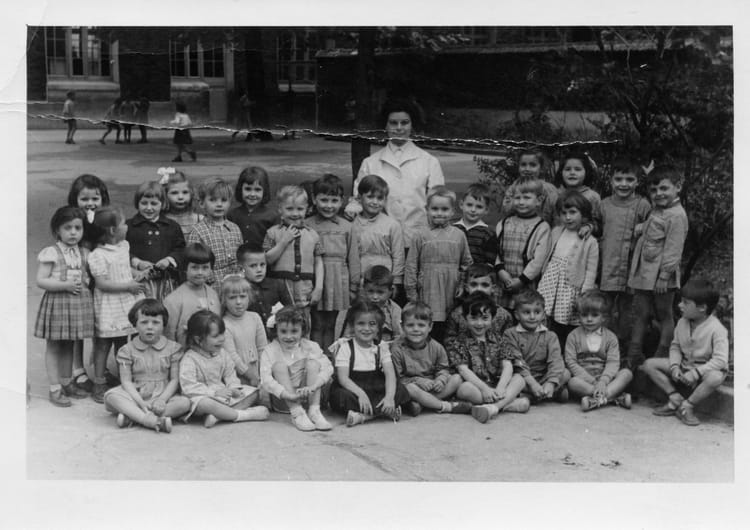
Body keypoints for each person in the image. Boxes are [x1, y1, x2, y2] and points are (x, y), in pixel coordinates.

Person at [349, 98, 444, 256]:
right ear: (385, 125)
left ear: (412, 124)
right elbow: (358, 202)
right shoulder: (370, 163)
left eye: (404, 122)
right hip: (379, 243)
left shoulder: (429, 162)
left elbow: (439, 203)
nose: (399, 128)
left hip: (419, 241)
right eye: (393, 123)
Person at [641, 279, 729, 426]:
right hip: (684, 366)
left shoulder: (717, 329)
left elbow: (720, 361)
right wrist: (675, 366)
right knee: (649, 364)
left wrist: (695, 373)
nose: (679, 305)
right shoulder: (683, 322)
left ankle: (687, 405)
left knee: (715, 377)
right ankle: (675, 398)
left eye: (685, 303)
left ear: (702, 308)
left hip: (704, 370)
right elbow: (675, 346)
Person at [626, 165, 689, 369]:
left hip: (662, 276)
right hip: (645, 272)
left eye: (664, 188)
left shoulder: (676, 215)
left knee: (664, 314)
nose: (658, 194)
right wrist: (642, 227)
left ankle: (662, 355)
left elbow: (673, 249)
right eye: (654, 190)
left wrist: (664, 276)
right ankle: (634, 355)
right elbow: (655, 226)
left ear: (678, 187)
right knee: (641, 313)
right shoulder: (660, 209)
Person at [34, 207, 95, 406]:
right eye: (67, 228)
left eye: (78, 228)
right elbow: (41, 280)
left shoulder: (84, 253)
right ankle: (54, 387)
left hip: (77, 305)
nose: (73, 232)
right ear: (57, 231)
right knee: (54, 345)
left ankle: (67, 382)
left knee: (70, 343)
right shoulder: (51, 252)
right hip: (58, 303)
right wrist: (64, 285)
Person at [103, 299, 190, 432]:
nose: (150, 327)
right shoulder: (127, 350)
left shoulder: (173, 348)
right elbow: (126, 381)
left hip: (164, 394)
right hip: (136, 393)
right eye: (144, 322)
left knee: (185, 403)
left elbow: (174, 380)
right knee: (111, 397)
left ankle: (134, 417)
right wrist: (140, 401)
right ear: (135, 325)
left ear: (163, 324)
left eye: (155, 322)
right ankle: (150, 420)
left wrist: (162, 400)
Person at [88, 207, 146, 403]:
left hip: (126, 303)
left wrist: (135, 273)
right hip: (109, 305)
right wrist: (127, 286)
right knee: (104, 343)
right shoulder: (98, 255)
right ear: (113, 230)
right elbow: (102, 283)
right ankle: (99, 381)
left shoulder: (123, 246)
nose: (126, 226)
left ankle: (123, 378)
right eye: (123, 223)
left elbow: (123, 267)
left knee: (123, 341)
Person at [445, 292, 529, 423]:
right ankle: (506, 404)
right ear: (465, 318)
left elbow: (507, 365)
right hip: (477, 388)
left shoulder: (498, 339)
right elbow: (463, 370)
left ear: (492, 318)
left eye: (485, 318)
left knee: (519, 379)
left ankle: (493, 407)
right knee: (464, 389)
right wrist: (484, 389)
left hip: (497, 386)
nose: (479, 323)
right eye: (473, 318)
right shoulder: (459, 342)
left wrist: (501, 388)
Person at [405, 186, 473, 344]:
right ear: (427, 209)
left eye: (444, 209)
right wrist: (412, 294)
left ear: (452, 211)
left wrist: (462, 285)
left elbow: (467, 263)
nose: (439, 213)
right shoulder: (420, 235)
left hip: (451, 288)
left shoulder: (459, 235)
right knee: (428, 324)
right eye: (435, 209)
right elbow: (411, 266)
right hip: (428, 288)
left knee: (450, 327)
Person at [179, 310, 269, 428]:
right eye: (215, 336)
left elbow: (230, 374)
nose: (221, 339)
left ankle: (217, 416)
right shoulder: (190, 358)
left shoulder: (222, 353)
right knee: (205, 403)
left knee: (254, 393)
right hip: (202, 396)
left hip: (223, 395)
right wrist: (214, 393)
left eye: (222, 334)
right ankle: (242, 415)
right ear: (198, 339)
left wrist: (234, 388)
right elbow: (189, 386)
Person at [328, 301, 411, 427]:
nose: (366, 329)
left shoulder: (381, 347)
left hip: (376, 387)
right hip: (354, 388)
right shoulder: (346, 347)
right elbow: (343, 378)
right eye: (361, 323)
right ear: (352, 326)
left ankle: (364, 416)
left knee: (400, 389)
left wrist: (389, 397)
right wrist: (361, 394)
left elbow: (390, 375)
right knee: (340, 396)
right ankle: (385, 412)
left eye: (372, 324)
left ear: (378, 327)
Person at [599, 157, 651, 350]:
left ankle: (621, 343)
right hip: (608, 265)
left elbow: (656, 224)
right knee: (604, 306)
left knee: (626, 307)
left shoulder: (642, 205)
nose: (624, 184)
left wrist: (645, 226)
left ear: (637, 182)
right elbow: (596, 227)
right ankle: (602, 343)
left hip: (631, 266)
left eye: (629, 179)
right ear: (611, 181)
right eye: (618, 179)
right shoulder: (604, 204)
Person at [67, 174, 111, 392]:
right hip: (79, 279)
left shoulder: (106, 220)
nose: (90, 203)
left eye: (95, 198)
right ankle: (78, 369)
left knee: (99, 322)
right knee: (79, 326)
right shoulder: (72, 222)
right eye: (84, 199)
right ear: (75, 200)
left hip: (100, 278)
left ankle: (99, 366)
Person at [538, 190, 600, 346]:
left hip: (570, 286)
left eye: (572, 212)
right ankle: (548, 348)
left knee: (566, 322)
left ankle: (568, 350)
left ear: (584, 215)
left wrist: (585, 293)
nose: (567, 217)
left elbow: (591, 270)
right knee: (546, 317)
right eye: (563, 213)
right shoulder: (557, 231)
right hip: (551, 281)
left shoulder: (590, 241)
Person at [259, 306, 334, 431]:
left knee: (314, 363)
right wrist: (287, 395)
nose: (289, 336)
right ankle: (297, 413)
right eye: (283, 331)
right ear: (276, 330)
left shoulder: (310, 346)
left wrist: (313, 386)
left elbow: (328, 368)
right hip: (284, 400)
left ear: (302, 330)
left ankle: (314, 411)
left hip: (308, 396)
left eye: (294, 331)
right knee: (278, 366)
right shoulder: (270, 350)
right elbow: (265, 379)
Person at [306, 174, 358, 351]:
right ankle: (315, 357)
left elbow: (353, 257)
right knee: (316, 323)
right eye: (324, 200)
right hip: (315, 280)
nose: (329, 205)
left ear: (341, 201)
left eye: (334, 200)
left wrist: (353, 287)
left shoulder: (347, 226)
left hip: (338, 281)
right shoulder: (307, 224)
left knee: (330, 324)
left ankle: (328, 359)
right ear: (314, 199)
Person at [390, 302, 470, 415]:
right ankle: (445, 406)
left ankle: (423, 403)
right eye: (410, 325)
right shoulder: (397, 349)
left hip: (432, 386)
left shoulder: (437, 347)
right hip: (412, 386)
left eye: (421, 325)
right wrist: (418, 381)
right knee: (410, 388)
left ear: (430, 327)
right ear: (402, 326)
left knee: (457, 378)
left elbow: (443, 369)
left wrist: (440, 380)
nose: (416, 329)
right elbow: (397, 378)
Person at [263, 185, 324, 322]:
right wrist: (284, 241)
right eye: (289, 209)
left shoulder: (313, 234)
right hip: (280, 289)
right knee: (280, 322)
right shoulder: (272, 232)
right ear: (280, 209)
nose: (295, 213)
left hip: (304, 289)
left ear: (307, 209)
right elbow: (267, 259)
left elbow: (318, 262)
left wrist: (319, 287)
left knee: (303, 322)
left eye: (300, 209)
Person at [564, 291, 633, 412]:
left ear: (603, 317)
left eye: (595, 315)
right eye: (584, 315)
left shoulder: (610, 337)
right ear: (579, 316)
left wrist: (603, 381)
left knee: (626, 374)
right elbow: (571, 362)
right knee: (572, 382)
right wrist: (594, 382)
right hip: (585, 380)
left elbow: (613, 362)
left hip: (606, 378)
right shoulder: (573, 336)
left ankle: (596, 400)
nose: (589, 319)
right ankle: (612, 397)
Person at [503, 289, 568, 405]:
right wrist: (532, 384)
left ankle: (538, 394)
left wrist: (551, 382)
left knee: (566, 373)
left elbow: (556, 361)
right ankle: (543, 395)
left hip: (543, 377)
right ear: (517, 315)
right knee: (514, 380)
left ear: (543, 314)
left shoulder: (550, 336)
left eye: (537, 312)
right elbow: (517, 362)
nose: (532, 317)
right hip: (523, 377)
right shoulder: (510, 334)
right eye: (526, 312)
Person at [494, 179, 551, 309]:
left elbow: (538, 260)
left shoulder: (542, 227)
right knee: (501, 312)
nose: (521, 202)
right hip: (503, 280)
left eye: (526, 198)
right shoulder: (504, 223)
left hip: (526, 283)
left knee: (524, 311)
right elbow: (496, 251)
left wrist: (521, 280)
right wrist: (501, 272)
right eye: (517, 198)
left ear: (539, 200)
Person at [348, 174, 405, 302]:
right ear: (360, 197)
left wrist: (396, 282)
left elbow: (398, 256)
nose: (375, 202)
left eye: (380, 198)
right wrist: (353, 284)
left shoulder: (392, 225)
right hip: (362, 281)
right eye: (370, 197)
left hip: (385, 280)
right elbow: (350, 257)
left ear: (385, 200)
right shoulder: (352, 225)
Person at [126, 181, 185, 301]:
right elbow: (121, 251)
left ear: (162, 204)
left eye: (154, 203)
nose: (149, 208)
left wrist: (168, 260)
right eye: (144, 203)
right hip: (139, 281)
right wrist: (137, 262)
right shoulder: (129, 226)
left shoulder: (172, 226)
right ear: (137, 203)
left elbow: (181, 249)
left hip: (167, 282)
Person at [163, 243, 222, 347]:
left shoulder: (213, 293)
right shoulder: (174, 300)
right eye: (194, 267)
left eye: (205, 268)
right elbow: (169, 335)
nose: (200, 272)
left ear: (211, 269)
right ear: (185, 268)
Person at [187, 178, 243, 286]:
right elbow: (193, 261)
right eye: (213, 200)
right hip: (210, 285)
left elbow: (240, 258)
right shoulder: (198, 231)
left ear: (230, 203)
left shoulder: (235, 229)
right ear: (202, 203)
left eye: (224, 200)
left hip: (235, 284)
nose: (219, 204)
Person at [220, 275, 267, 392]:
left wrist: (263, 372)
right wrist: (250, 375)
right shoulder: (225, 324)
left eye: (242, 296)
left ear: (249, 297)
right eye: (232, 298)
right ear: (224, 300)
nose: (238, 302)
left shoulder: (255, 317)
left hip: (259, 372)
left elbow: (262, 347)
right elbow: (231, 356)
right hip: (239, 377)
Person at [445, 263, 513, 343]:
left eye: (485, 285)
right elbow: (449, 341)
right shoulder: (457, 314)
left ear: (493, 288)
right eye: (474, 285)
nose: (479, 289)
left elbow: (509, 342)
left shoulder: (504, 315)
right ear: (466, 287)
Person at [236, 243, 293, 336]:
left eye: (262, 264)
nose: (259, 269)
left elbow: (291, 310)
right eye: (253, 266)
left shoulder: (278, 285)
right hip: (251, 336)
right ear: (241, 268)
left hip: (278, 336)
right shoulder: (239, 289)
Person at [336, 265, 402, 342]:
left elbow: (398, 337)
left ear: (391, 291)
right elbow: (344, 337)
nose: (375, 297)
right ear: (364, 288)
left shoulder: (394, 310)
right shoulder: (354, 308)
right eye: (370, 291)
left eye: (380, 292)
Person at [500, 148, 559, 226]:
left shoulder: (549, 190)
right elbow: (506, 211)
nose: (527, 169)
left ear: (541, 168)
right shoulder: (513, 188)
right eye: (523, 165)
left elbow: (557, 218)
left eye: (533, 165)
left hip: (544, 231)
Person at [227, 166, 278, 250]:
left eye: (257, 190)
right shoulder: (232, 215)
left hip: (262, 257)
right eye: (248, 189)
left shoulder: (272, 216)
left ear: (264, 191)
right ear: (240, 189)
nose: (252, 194)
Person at [553, 152, 602, 237]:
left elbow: (598, 225)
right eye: (568, 169)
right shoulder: (555, 194)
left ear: (586, 172)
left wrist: (589, 227)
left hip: (582, 241)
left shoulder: (592, 197)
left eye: (577, 169)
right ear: (561, 172)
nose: (572, 172)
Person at [454, 183, 497, 266]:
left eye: (479, 207)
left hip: (478, 273)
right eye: (469, 205)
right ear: (461, 205)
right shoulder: (453, 229)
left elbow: (490, 262)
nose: (473, 210)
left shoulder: (488, 233)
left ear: (486, 210)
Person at [161, 169, 204, 239]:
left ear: (191, 193)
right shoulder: (160, 220)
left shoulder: (200, 220)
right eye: (174, 193)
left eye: (185, 192)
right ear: (164, 195)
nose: (180, 197)